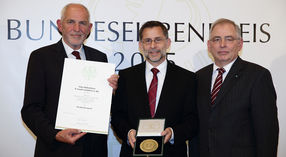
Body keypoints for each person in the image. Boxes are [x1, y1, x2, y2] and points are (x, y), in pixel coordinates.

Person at [21, 3, 118, 157]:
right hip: (55, 150)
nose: (77, 29)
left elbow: (104, 107)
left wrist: (111, 93)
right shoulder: (41, 57)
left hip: (93, 150)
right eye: (71, 22)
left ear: (90, 27)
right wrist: (55, 134)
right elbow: (30, 109)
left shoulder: (100, 58)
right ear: (60, 25)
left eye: (82, 23)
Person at [111, 21, 198, 157]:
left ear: (168, 43)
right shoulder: (126, 77)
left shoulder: (187, 79)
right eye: (147, 41)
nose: (153, 46)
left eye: (158, 40)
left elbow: (192, 120)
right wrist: (128, 133)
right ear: (141, 45)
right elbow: (117, 116)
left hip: (172, 153)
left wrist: (173, 132)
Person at [196, 18, 279, 157]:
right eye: (216, 39)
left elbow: (267, 132)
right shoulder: (199, 77)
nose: (222, 45)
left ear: (239, 44)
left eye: (229, 39)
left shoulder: (258, 76)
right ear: (209, 45)